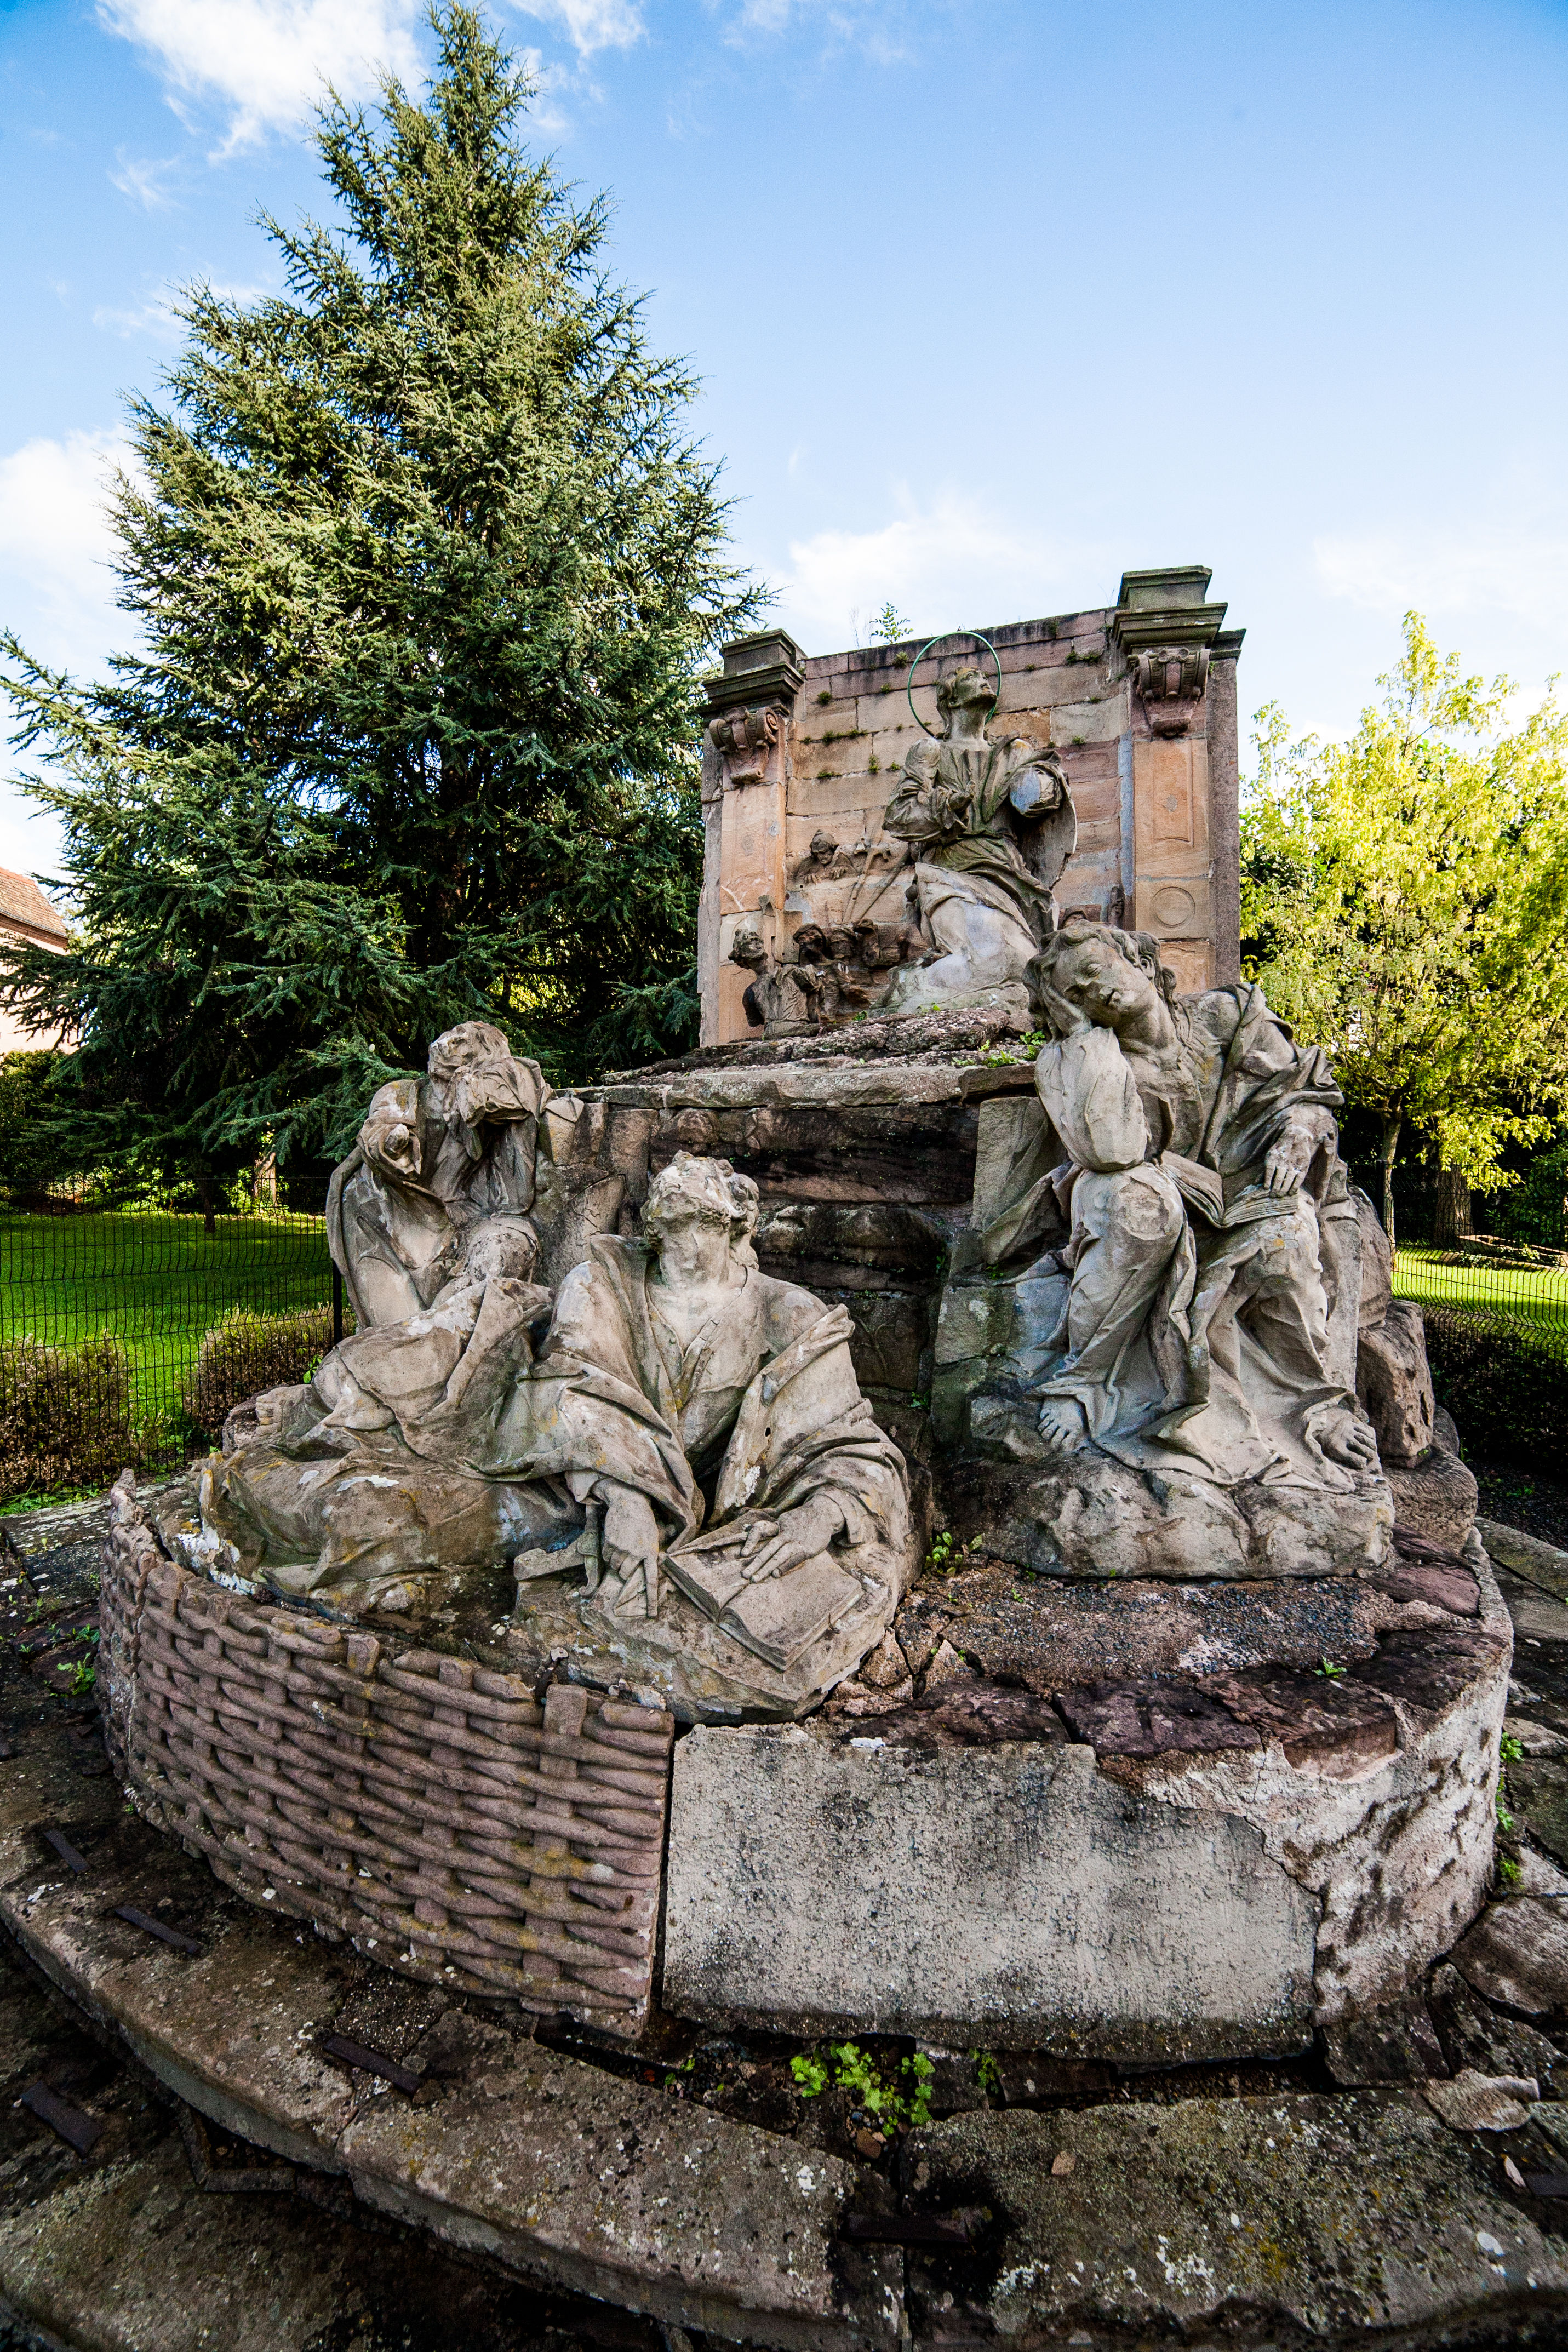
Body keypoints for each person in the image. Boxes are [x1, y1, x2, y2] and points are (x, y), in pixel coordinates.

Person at [1005, 920, 1377, 1489]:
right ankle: (1084, 1385)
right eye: (1074, 994)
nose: (1093, 993)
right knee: (1139, 1204)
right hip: (1133, 1194)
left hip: (1241, 1191)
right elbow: (1111, 1152)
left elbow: (1307, 1095)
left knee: (1288, 1235)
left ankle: (1311, 1407)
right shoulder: (1080, 1057)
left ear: (1143, 962)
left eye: (1095, 971)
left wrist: (1298, 1133)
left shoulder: (1230, 1016)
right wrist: (1081, 1032)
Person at [484, 1154, 911, 1636]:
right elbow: (569, 1398)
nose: (686, 1246)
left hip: (732, 1525)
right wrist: (626, 1497)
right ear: (654, 1230)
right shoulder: (600, 1285)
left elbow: (854, 1446)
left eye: (702, 1227)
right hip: (591, 1490)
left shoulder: (791, 1315)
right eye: (672, 1229)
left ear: (735, 1226)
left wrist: (820, 1515)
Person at [326, 1021, 549, 1329]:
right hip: (393, 1210)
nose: (446, 1043)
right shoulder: (400, 1093)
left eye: (461, 1042)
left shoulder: (481, 1096)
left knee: (510, 1242)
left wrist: (472, 1090)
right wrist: (393, 1144)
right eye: (450, 1035)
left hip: (461, 1215)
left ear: (480, 1059)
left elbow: (522, 1091)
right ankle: (407, 1347)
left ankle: (441, 1339)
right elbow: (379, 1130)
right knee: (393, 1324)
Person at [880, 666, 1077, 1012]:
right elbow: (899, 815)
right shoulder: (930, 751)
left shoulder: (1013, 753)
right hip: (949, 870)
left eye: (985, 675)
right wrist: (944, 808)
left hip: (1007, 870)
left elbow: (1049, 792)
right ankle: (912, 990)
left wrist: (1044, 786)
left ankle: (926, 989)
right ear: (951, 698)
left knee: (1025, 960)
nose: (985, 679)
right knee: (1005, 956)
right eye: (972, 676)